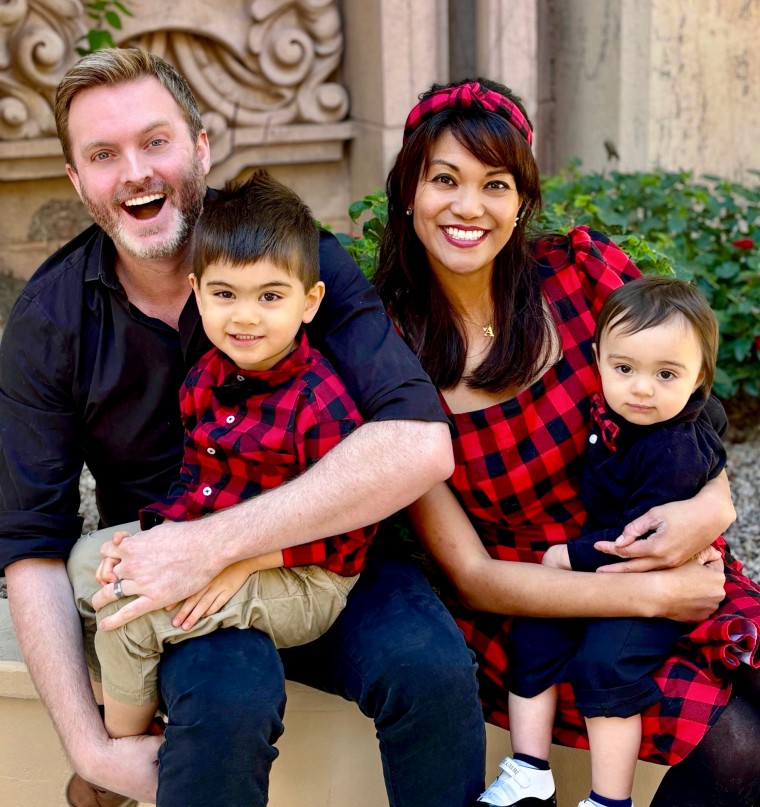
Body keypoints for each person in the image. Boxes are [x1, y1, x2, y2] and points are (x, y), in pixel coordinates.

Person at [0, 49, 485, 807]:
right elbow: (31, 543)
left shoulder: (291, 254)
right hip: (173, 576)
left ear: (200, 146)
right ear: (76, 178)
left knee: (432, 669)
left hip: (324, 553)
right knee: (228, 704)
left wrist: (213, 546)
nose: (135, 173)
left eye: (155, 141)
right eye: (103, 155)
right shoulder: (52, 320)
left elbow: (419, 441)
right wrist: (93, 750)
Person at [373, 77, 760, 807]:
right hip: (539, 608)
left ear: (522, 201)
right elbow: (471, 574)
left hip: (661, 549)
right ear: (408, 191)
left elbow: (690, 410)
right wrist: (650, 594)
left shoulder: (581, 275)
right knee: (736, 749)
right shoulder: (389, 351)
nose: (468, 206)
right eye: (444, 179)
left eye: (495, 184)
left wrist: (712, 509)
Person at [67, 168, 378, 740]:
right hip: (214, 538)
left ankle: (124, 750)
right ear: (197, 292)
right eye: (225, 294)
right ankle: (143, 689)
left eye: (271, 296)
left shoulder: (320, 404)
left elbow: (349, 534)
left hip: (305, 576)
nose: (245, 316)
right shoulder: (206, 376)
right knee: (89, 562)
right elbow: (197, 483)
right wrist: (158, 538)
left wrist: (239, 562)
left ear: (309, 302)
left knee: (124, 619)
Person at [504, 277, 733, 807]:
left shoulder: (672, 450)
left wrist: (570, 556)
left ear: (699, 377)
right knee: (534, 632)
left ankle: (609, 799)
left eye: (666, 374)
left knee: (605, 665)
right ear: (599, 361)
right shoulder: (618, 415)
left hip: (658, 576)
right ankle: (529, 771)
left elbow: (643, 538)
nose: (641, 389)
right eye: (624, 368)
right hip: (611, 566)